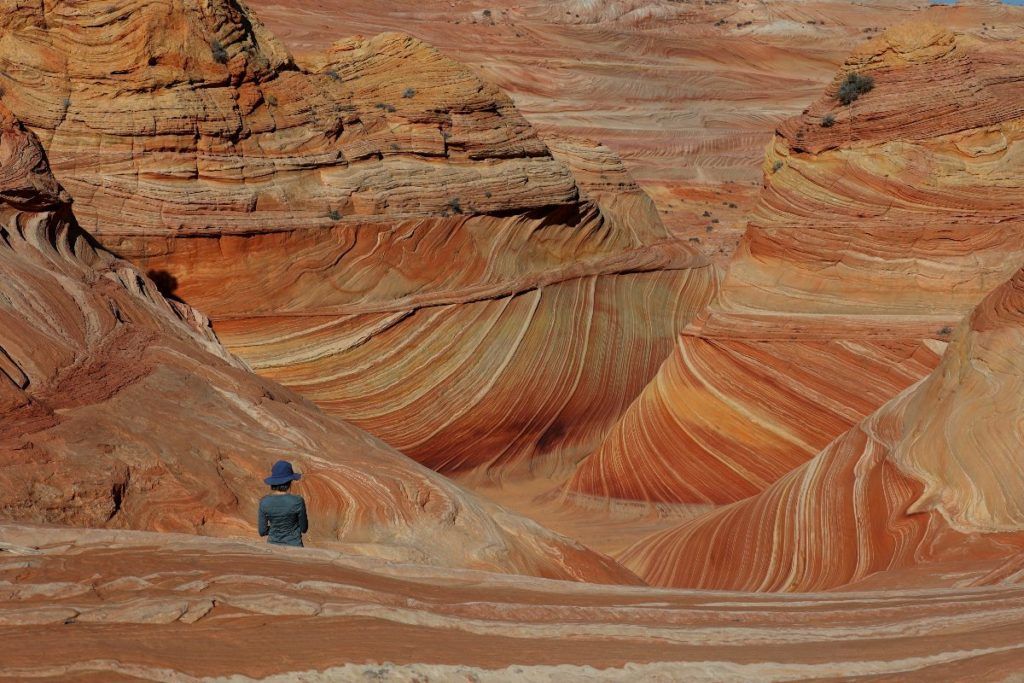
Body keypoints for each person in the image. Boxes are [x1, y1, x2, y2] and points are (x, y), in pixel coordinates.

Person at [258, 460, 309, 547]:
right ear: (289, 482)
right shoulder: (297, 501)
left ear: (273, 483)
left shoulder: (264, 502)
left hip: (273, 546)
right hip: (294, 545)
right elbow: (304, 528)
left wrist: (276, 529)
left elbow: (262, 531)